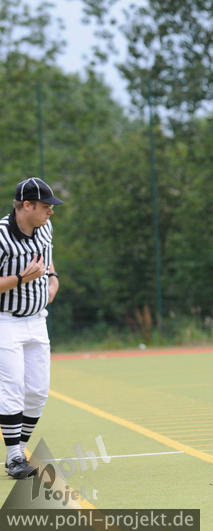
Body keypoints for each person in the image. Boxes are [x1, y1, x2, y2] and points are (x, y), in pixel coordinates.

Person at [0, 177, 64, 479]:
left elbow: (47, 260)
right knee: (12, 389)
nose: (51, 211)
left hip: (38, 319)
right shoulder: (2, 235)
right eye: (45, 206)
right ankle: (14, 457)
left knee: (37, 391)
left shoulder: (45, 228)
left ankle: (20, 450)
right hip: (6, 321)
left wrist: (53, 278)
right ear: (27, 205)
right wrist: (21, 279)